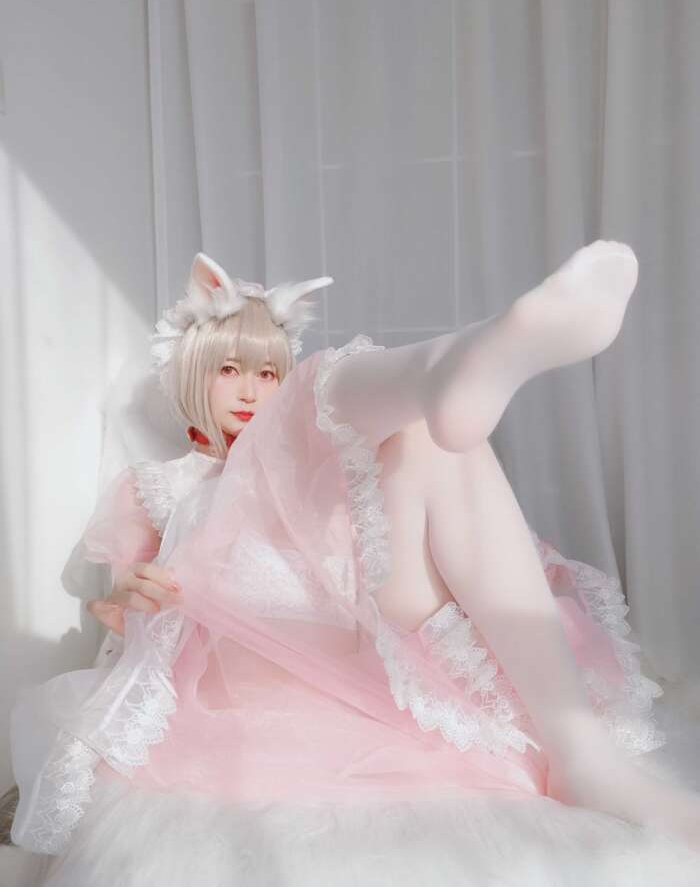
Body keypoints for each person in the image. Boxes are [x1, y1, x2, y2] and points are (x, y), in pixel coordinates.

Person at [6, 246, 700, 886]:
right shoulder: (162, 485)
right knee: (360, 428)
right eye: (229, 370)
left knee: (427, 440)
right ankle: (448, 367)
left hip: (362, 614)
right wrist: (125, 595)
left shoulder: (318, 470)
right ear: (192, 374)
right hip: (249, 651)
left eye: (268, 374)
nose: (250, 390)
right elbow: (124, 614)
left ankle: (582, 755)